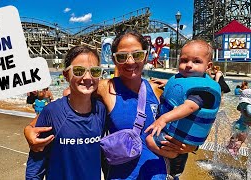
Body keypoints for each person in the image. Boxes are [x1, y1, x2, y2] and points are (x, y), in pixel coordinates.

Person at [24, 30, 196, 179]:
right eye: (122, 56)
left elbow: (188, 124)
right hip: (120, 175)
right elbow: (68, 101)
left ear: (146, 56)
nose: (130, 61)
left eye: (137, 54)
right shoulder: (105, 88)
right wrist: (29, 130)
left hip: (155, 173)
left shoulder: (158, 90)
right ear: (115, 61)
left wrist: (189, 146)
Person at [25, 45, 106, 180]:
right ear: (66, 76)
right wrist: (27, 129)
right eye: (79, 71)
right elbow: (36, 163)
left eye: (95, 71)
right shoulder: (52, 112)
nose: (87, 77)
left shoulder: (101, 110)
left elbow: (103, 156)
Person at [144, 40, 221, 177]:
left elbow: (189, 106)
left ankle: (173, 156)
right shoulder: (184, 79)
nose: (189, 65)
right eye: (184, 60)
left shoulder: (202, 91)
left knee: (150, 141)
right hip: (174, 135)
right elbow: (181, 88)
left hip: (179, 142)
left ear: (208, 66)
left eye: (196, 61)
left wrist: (164, 118)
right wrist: (169, 83)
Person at [226, 88, 251, 159]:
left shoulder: (242, 104)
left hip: (238, 124)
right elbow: (250, 112)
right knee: (240, 140)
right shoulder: (248, 106)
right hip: (243, 127)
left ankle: (230, 148)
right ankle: (233, 151)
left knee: (235, 138)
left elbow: (238, 108)